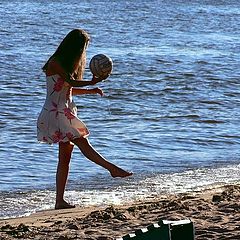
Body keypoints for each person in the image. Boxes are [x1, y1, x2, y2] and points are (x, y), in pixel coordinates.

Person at [37, 29, 132, 210]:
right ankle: (112, 169)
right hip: (56, 112)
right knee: (82, 142)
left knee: (65, 158)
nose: (83, 53)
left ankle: (59, 201)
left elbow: (68, 89)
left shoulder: (65, 64)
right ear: (75, 47)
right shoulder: (55, 62)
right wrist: (92, 82)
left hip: (63, 111)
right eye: (83, 48)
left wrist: (91, 91)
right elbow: (70, 83)